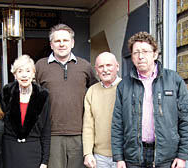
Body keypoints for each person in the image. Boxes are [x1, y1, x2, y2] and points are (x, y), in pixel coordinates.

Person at [111, 31, 188, 168]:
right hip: (134, 157)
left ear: (155, 54)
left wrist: (182, 155)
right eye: (136, 53)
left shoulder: (174, 80)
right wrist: (119, 157)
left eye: (145, 51)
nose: (141, 56)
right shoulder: (124, 86)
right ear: (132, 57)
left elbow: (185, 120)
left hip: (166, 157)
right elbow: (118, 124)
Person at [35, 23, 97, 168]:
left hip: (80, 134)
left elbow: (96, 93)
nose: (61, 44)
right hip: (51, 135)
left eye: (65, 40)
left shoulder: (85, 66)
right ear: (51, 45)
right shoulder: (40, 66)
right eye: (57, 41)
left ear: (72, 43)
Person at [1, 55, 51, 168]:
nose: (24, 75)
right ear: (15, 74)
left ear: (33, 74)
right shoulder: (6, 92)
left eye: (28, 71)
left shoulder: (43, 95)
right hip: (10, 151)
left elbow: (46, 130)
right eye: (20, 71)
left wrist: (45, 161)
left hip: (33, 152)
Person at [82, 52, 121, 168]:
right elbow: (88, 125)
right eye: (101, 66)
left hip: (122, 156)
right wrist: (88, 153)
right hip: (99, 157)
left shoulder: (126, 87)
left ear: (117, 67)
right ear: (96, 70)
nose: (105, 70)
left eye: (109, 65)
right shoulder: (92, 91)